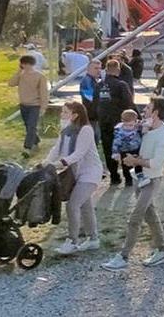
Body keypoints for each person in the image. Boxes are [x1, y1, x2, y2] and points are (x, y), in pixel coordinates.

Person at [101, 96, 164, 272]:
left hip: (151, 180)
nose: (144, 111)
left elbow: (157, 163)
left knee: (135, 219)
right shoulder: (144, 128)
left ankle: (123, 257)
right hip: (139, 178)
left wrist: (135, 161)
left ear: (156, 112)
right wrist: (127, 157)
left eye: (148, 108)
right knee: (150, 216)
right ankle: (163, 250)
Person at [44, 101, 102, 255]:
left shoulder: (86, 130)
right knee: (85, 206)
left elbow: (78, 154)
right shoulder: (66, 130)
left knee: (72, 205)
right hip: (75, 173)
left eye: (65, 112)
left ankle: (72, 241)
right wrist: (45, 162)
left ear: (75, 115)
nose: (62, 115)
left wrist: (60, 163)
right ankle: (93, 239)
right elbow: (56, 149)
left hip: (89, 173)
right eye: (62, 112)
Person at [97, 59, 134, 185]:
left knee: (108, 149)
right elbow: (129, 104)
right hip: (120, 123)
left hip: (104, 122)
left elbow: (95, 103)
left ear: (106, 70)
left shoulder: (99, 85)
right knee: (124, 149)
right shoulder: (121, 85)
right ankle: (128, 177)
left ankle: (114, 176)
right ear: (118, 70)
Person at [9, 55, 49, 157]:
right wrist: (18, 72)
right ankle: (36, 140)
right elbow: (11, 83)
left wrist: (43, 107)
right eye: (23, 64)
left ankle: (27, 148)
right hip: (23, 105)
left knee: (31, 126)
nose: (26, 66)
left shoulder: (40, 76)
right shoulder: (20, 75)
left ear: (32, 64)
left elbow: (44, 93)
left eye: (28, 64)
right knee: (28, 126)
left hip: (35, 105)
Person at [112, 110, 149, 188]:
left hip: (136, 148)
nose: (129, 127)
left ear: (135, 121)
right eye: (126, 125)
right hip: (124, 150)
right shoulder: (119, 131)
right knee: (126, 166)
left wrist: (145, 124)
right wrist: (115, 152)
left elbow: (144, 124)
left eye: (131, 125)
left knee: (138, 163)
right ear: (122, 121)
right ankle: (128, 180)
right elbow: (116, 142)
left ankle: (140, 177)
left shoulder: (137, 125)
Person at [79, 59, 102, 130]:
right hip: (91, 117)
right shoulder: (86, 81)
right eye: (96, 68)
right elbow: (90, 98)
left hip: (95, 116)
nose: (99, 70)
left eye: (100, 68)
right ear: (88, 69)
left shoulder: (95, 80)